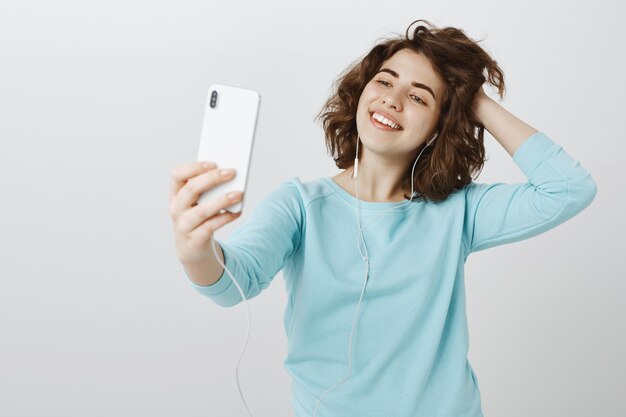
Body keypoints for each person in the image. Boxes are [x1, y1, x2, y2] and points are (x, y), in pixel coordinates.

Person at [169, 19, 597, 417]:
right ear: (361, 94)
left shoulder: (458, 211)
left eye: (417, 96)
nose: (392, 99)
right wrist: (195, 252)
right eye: (385, 82)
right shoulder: (300, 204)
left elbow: (568, 188)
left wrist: (475, 101)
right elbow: (232, 284)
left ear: (436, 127)